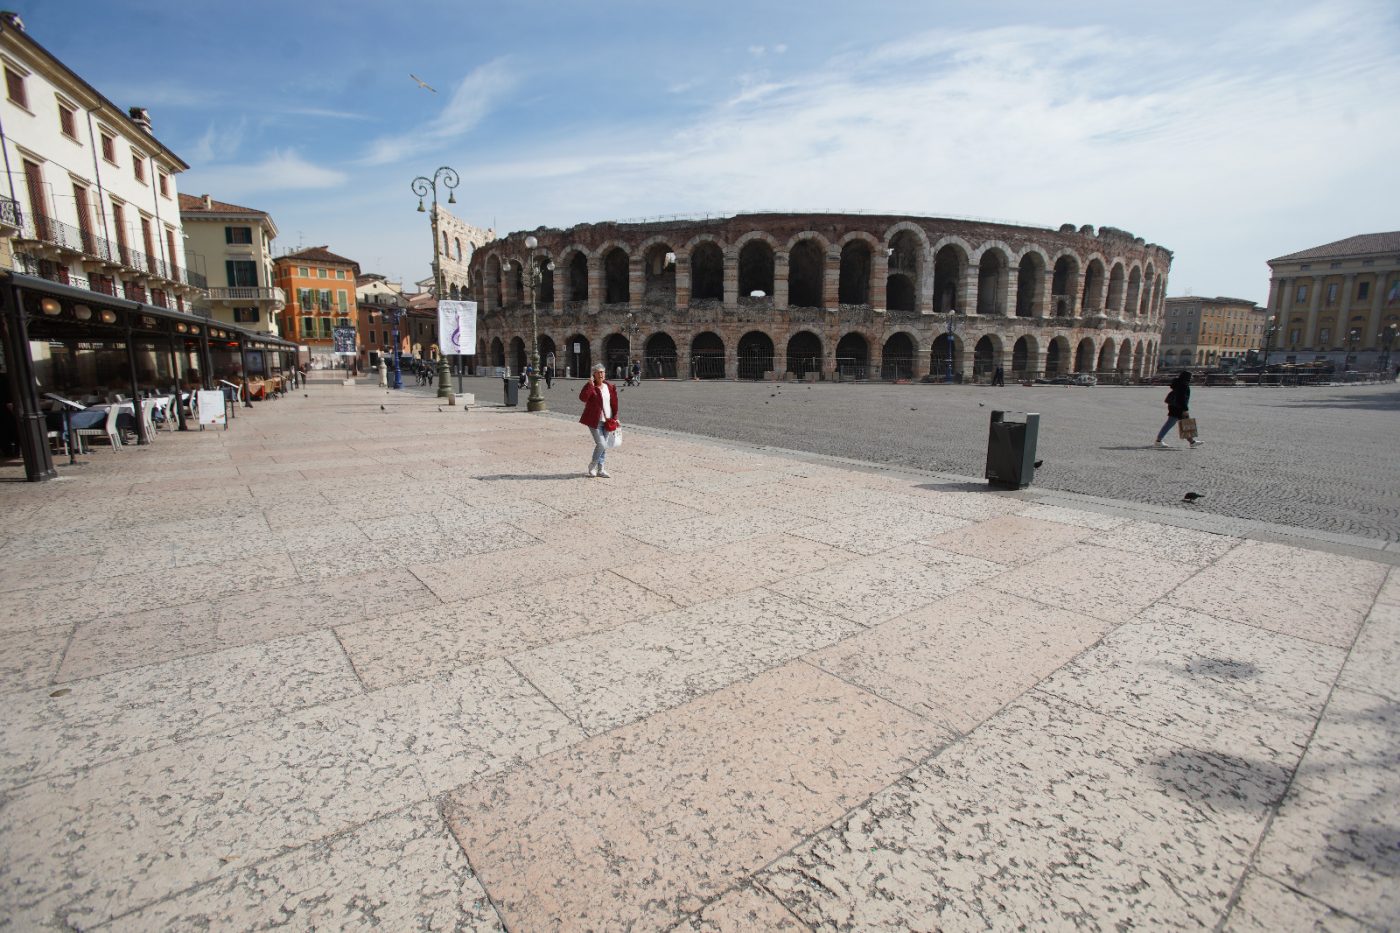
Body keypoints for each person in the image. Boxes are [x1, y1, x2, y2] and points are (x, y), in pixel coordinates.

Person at [578, 362, 619, 478]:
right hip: (594, 420)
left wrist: (615, 418)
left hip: (607, 421)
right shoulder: (591, 386)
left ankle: (601, 469)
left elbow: (614, 404)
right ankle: (592, 466)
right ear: (594, 375)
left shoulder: (609, 387)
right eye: (599, 372)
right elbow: (583, 398)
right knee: (601, 444)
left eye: (603, 372)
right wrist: (590, 385)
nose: (601, 374)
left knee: (604, 445)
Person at [1155, 370, 1202, 448]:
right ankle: (1158, 441)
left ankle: (1192, 442)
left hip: (1174, 406)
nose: (1191, 378)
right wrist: (1185, 409)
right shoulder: (1184, 385)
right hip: (1178, 407)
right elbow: (1182, 398)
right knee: (1172, 424)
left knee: (1185, 423)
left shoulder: (1178, 383)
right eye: (1190, 377)